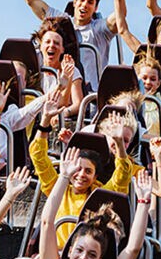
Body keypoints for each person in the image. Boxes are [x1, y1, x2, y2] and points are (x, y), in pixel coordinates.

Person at [30, 96, 142, 247]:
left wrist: (119, 143)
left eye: (88, 171)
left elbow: (122, 176)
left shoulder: (99, 195)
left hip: (84, 255)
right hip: (56, 252)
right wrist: (45, 121)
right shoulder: (58, 187)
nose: (81, 174)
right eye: (77, 169)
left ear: (95, 176)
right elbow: (38, 156)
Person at [23, 0, 126, 92]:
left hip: (89, 96)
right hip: (57, 91)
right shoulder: (61, 22)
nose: (85, 5)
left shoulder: (98, 29)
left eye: (90, 2)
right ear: (75, 2)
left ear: (96, 8)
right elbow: (32, 0)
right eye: (82, 0)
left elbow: (120, 17)